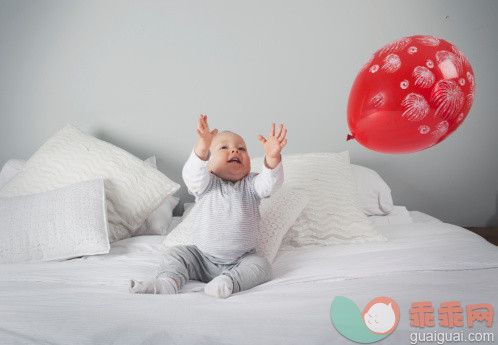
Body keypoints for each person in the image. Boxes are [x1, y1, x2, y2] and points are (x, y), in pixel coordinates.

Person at [130, 114, 287, 298]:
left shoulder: (251, 185)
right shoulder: (206, 184)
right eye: (224, 148)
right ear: (209, 165)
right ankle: (168, 282)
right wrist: (202, 148)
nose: (235, 151)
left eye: (241, 149)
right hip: (201, 258)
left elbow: (271, 183)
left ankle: (228, 282)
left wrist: (272, 158)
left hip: (242, 260)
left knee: (263, 267)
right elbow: (192, 175)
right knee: (175, 254)